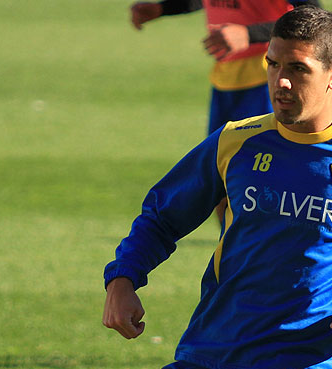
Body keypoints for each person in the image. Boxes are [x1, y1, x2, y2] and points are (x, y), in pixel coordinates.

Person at [103, 6, 332, 369]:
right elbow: (162, 216)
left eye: (298, 69)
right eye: (273, 65)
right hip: (200, 358)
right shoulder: (236, 141)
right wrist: (123, 279)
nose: (281, 82)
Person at [129, 0, 321, 222]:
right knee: (221, 175)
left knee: (269, 180)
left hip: (267, 78)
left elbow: (314, 14)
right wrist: (165, 8)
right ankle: (231, 249)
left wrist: (249, 34)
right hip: (226, 77)